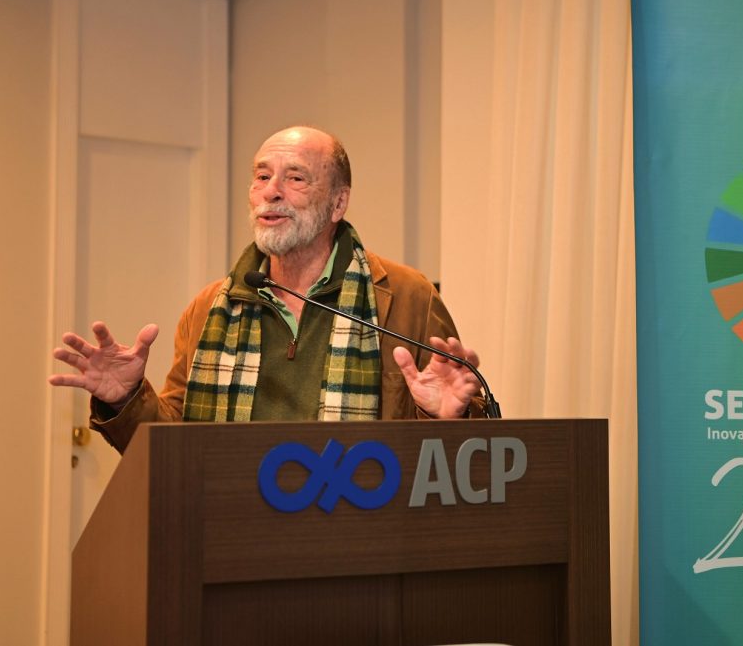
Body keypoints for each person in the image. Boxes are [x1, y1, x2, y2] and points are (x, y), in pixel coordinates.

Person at [49, 126, 483, 453]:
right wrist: (127, 399)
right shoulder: (210, 307)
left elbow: (464, 458)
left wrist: (448, 417)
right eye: (261, 177)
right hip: (233, 529)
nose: (270, 193)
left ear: (338, 203)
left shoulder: (406, 296)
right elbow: (173, 443)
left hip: (361, 529)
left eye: (295, 179)